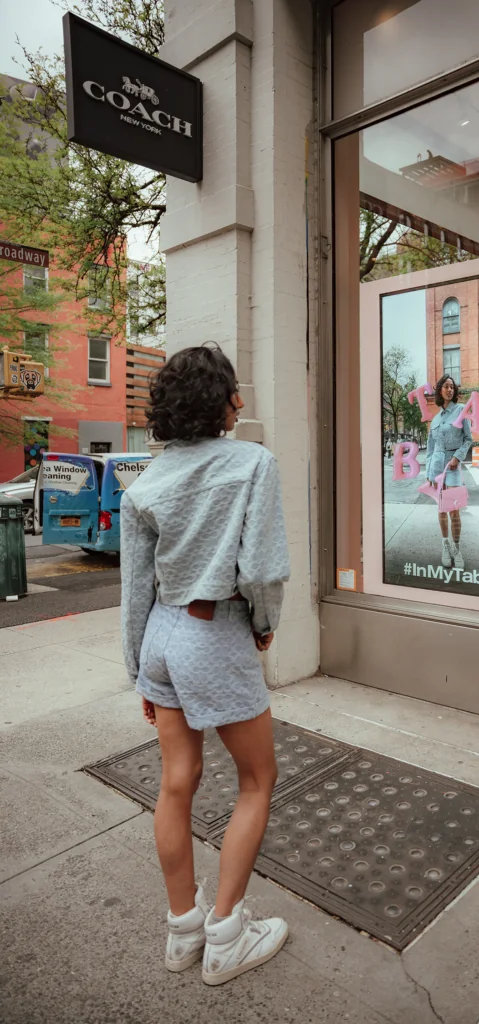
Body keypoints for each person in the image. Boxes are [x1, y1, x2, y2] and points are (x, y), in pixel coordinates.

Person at [120, 343, 290, 987]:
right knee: (256, 779)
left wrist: (138, 666)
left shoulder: (149, 480)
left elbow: (135, 587)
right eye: (234, 391)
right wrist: (265, 626)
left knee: (176, 781)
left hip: (161, 635)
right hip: (212, 632)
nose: (240, 401)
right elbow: (264, 570)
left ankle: (183, 932)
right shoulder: (252, 463)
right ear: (223, 400)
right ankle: (226, 937)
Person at [425, 375, 473, 569]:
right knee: (441, 509)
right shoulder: (435, 419)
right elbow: (430, 449)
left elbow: (468, 439)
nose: (449, 390)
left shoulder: (461, 411)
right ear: (440, 390)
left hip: (452, 468)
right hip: (437, 467)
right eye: (446, 386)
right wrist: (429, 474)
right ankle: (445, 545)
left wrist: (457, 457)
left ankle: (457, 548)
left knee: (454, 510)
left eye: (452, 387)